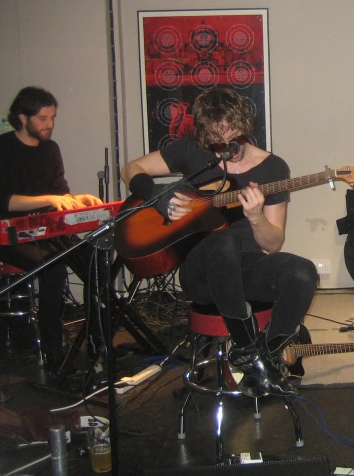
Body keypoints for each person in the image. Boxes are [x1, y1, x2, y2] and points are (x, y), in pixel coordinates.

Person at [120, 88, 317, 397]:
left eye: (233, 138)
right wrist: (156, 194)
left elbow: (274, 243)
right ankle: (246, 344)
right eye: (216, 141)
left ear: (244, 127)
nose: (226, 147)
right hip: (201, 272)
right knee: (223, 240)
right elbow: (131, 168)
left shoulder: (273, 168)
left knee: (303, 271)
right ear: (204, 135)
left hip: (247, 267)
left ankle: (265, 356)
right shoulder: (190, 151)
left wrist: (255, 218)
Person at [0, 86, 103, 372]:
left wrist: (75, 200)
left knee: (95, 259)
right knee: (52, 267)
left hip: (46, 230)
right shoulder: (4, 148)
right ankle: (53, 350)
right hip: (9, 234)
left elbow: (60, 191)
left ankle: (97, 342)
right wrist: (50, 199)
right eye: (43, 118)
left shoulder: (50, 149)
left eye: (52, 118)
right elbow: (4, 200)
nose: (50, 124)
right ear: (23, 117)